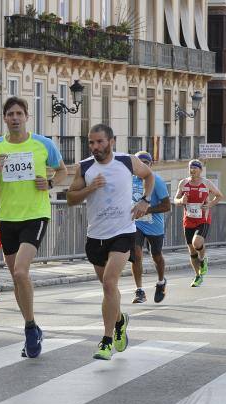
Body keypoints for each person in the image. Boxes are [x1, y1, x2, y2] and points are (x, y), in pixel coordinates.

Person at [0, 97, 67, 358]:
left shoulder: (43, 144)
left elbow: (62, 171)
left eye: (19, 113)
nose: (15, 118)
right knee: (18, 279)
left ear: (27, 116)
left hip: (36, 214)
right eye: (10, 114)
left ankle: (29, 329)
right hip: (7, 217)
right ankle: (32, 324)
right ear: (4, 118)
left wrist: (51, 185)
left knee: (20, 271)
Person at [66, 124, 153, 360]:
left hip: (123, 232)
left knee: (108, 282)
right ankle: (119, 320)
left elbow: (149, 176)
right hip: (96, 235)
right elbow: (71, 199)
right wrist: (89, 189)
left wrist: (145, 200)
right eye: (91, 143)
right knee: (109, 289)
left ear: (111, 141)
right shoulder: (85, 167)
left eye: (100, 142)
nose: (95, 147)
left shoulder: (127, 161)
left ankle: (105, 341)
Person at [174, 160, 223, 287]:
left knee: (197, 243)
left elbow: (219, 196)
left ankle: (202, 260)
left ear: (200, 170)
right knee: (191, 250)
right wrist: (181, 200)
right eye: (191, 168)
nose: (193, 170)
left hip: (203, 219)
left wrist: (210, 205)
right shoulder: (183, 183)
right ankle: (197, 276)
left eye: (195, 168)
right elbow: (175, 199)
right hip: (188, 219)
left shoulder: (206, 183)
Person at [128, 151, 169, 303]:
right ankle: (139, 291)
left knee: (156, 256)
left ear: (151, 165)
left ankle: (161, 282)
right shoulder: (130, 180)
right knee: (136, 254)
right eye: (140, 163)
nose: (143, 166)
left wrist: (146, 209)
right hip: (135, 223)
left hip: (154, 225)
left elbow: (166, 206)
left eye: (147, 163)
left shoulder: (156, 181)